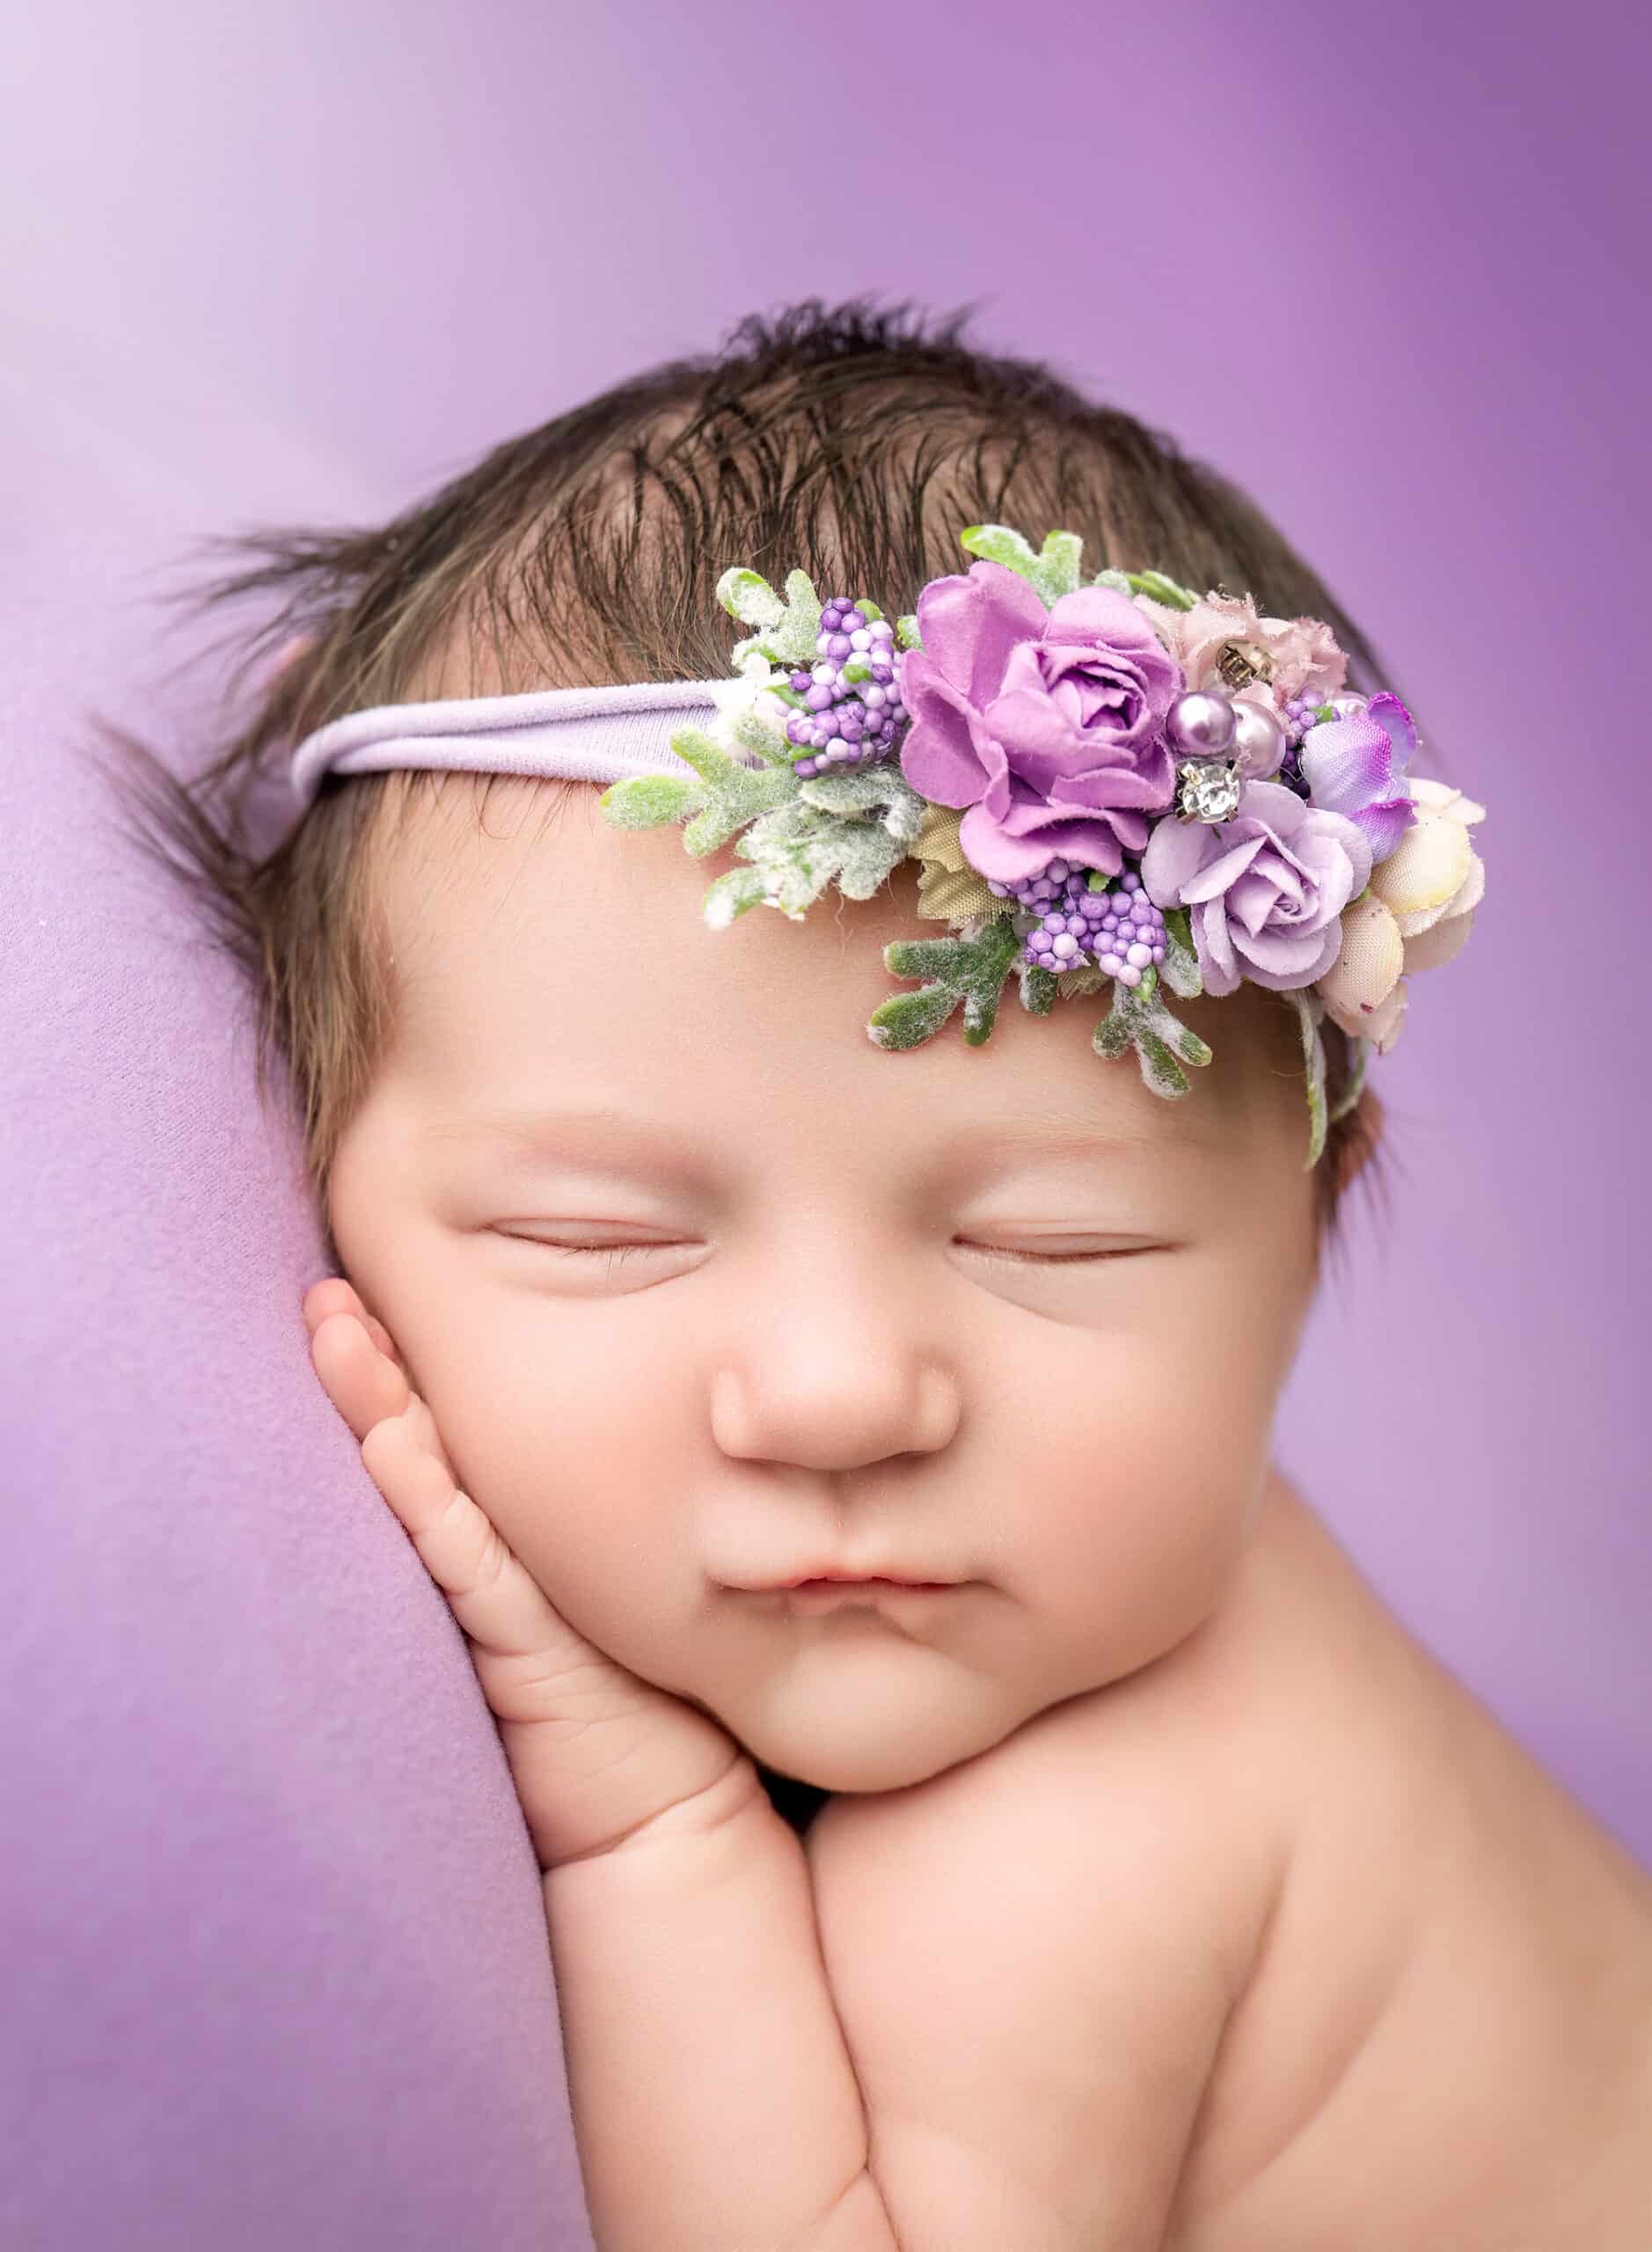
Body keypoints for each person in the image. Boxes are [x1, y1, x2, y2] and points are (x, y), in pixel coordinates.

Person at [106, 298, 1652, 2249]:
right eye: (603, 1233)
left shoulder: (1068, 1848)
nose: (840, 1394)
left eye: (1050, 1244)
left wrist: (648, 1837)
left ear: (1311, 1219)